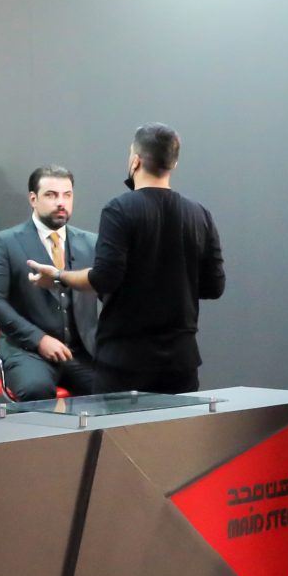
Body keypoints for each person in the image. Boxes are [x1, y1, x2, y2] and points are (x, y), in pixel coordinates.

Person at [28, 124, 225, 395]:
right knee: (178, 425)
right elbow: (214, 287)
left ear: (135, 161)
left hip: (125, 361)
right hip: (181, 361)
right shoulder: (199, 214)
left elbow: (104, 279)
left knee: (120, 424)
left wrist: (59, 276)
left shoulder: (119, 210)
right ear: (174, 163)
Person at [0, 165, 105, 400]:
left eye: (67, 195)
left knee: (117, 389)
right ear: (33, 199)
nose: (61, 202)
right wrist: (39, 339)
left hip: (82, 352)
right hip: (28, 352)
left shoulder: (91, 243)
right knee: (36, 390)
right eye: (51, 195)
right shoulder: (6, 242)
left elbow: (109, 293)